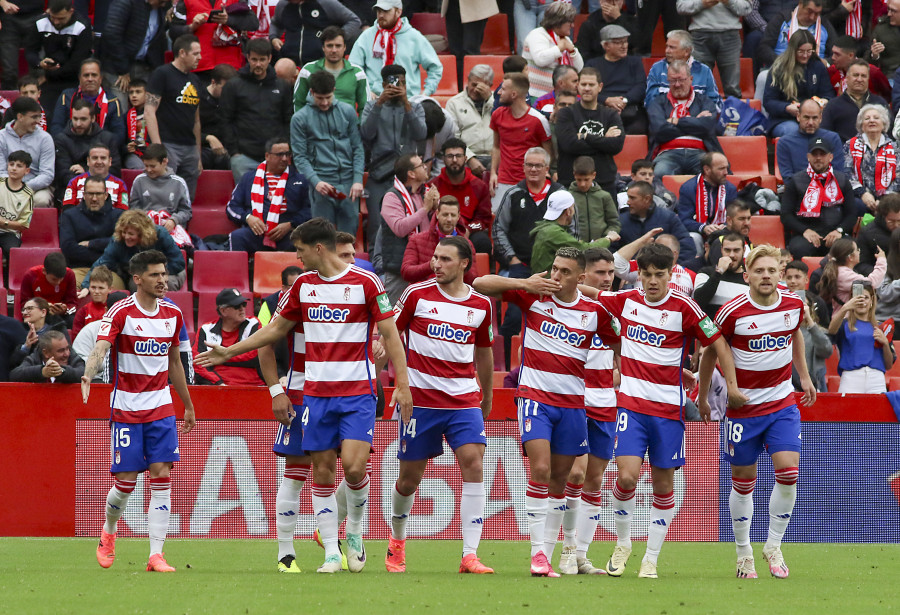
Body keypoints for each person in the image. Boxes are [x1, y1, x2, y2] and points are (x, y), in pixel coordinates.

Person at [196, 217, 413, 574]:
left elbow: (390, 334)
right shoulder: (302, 288)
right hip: (314, 395)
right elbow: (275, 330)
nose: (296, 257)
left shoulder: (366, 282)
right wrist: (229, 352)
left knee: (355, 467)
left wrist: (401, 384)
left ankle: (355, 530)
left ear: (317, 248)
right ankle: (330, 552)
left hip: (357, 391)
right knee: (323, 472)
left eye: (298, 250)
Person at [596, 241, 741, 579]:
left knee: (663, 486)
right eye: (646, 274)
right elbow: (593, 294)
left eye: (659, 275)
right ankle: (623, 541)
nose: (652, 281)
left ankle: (652, 557)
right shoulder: (625, 300)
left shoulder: (685, 307)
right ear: (639, 275)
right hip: (631, 407)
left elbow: (717, 342)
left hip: (668, 411)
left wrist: (730, 387)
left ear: (670, 273)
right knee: (627, 476)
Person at [473, 247, 620, 577]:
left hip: (573, 405)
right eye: (554, 269)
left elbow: (619, 340)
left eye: (565, 272)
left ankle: (560, 554)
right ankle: (537, 553)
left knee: (561, 479)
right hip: (535, 398)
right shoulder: (534, 297)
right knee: (540, 468)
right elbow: (481, 282)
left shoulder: (592, 312)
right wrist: (526, 283)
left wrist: (625, 367)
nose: (556, 276)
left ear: (579, 279)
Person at [697, 244, 814, 580]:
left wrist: (803, 377)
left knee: (789, 472)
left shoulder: (792, 305)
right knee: (744, 482)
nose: (766, 276)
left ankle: (774, 545)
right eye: (759, 271)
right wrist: (704, 397)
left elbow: (795, 337)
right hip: (743, 408)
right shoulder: (732, 311)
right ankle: (743, 552)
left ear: (780, 274)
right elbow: (709, 354)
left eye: (771, 270)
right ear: (747, 275)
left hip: (781, 403)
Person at [387, 236, 496, 574]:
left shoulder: (481, 305)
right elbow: (390, 333)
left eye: (445, 259)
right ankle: (397, 541)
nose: (436, 264)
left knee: (474, 464)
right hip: (421, 400)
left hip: (463, 399)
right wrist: (396, 380)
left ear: (465, 263)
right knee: (409, 479)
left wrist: (488, 395)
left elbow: (484, 352)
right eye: (435, 258)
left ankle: (470, 554)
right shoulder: (416, 295)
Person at [83, 250, 196, 573]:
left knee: (162, 475)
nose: (163, 280)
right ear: (138, 279)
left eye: (164, 274)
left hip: (161, 407)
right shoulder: (121, 311)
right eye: (155, 275)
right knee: (126, 482)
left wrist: (186, 404)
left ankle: (156, 554)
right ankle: (109, 530)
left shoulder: (173, 314)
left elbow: (175, 362)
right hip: (127, 408)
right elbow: (101, 346)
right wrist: (89, 374)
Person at [552, 246, 616, 575]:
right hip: (573, 400)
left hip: (606, 403)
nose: (607, 279)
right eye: (600, 274)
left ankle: (580, 555)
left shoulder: (611, 309)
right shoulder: (572, 306)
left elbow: (632, 347)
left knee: (594, 480)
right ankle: (566, 547)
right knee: (574, 475)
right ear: (583, 275)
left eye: (610, 273)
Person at [359, 64, 427, 251]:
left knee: (410, 224)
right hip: (379, 176)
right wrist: (380, 104)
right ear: (383, 84)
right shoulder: (373, 105)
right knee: (376, 227)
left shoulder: (415, 107)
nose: (399, 87)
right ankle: (378, 272)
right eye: (395, 83)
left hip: (407, 178)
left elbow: (421, 134)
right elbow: (366, 133)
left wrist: (406, 105)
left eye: (403, 83)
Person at [290, 70, 364, 236]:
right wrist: (316, 182)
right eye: (319, 98)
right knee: (323, 240)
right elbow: (300, 157)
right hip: (322, 184)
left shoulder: (348, 111)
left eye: (328, 97)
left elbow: (357, 147)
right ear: (311, 93)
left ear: (334, 91)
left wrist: (357, 180)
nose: (324, 102)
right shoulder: (300, 118)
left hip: (348, 184)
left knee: (348, 239)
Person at [219, 39, 293, 182]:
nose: (258, 64)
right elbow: (225, 119)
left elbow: (288, 119)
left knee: (276, 202)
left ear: (270, 58)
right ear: (247, 58)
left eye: (262, 59)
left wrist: (284, 150)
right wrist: (234, 152)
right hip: (243, 157)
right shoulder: (234, 85)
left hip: (276, 156)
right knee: (246, 201)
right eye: (254, 59)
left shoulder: (282, 86)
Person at [226, 136, 311, 254]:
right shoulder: (249, 178)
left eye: (287, 154)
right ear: (267, 156)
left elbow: (310, 210)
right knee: (237, 237)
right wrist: (248, 218)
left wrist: (291, 225)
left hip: (288, 235)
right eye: (280, 155)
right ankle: (238, 273)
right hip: (256, 233)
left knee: (303, 240)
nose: (285, 158)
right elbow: (232, 207)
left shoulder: (300, 180)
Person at [145, 34, 203, 200]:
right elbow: (149, 111)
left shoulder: (195, 80)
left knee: (186, 200)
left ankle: (183, 227)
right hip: (168, 144)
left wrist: (198, 154)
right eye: (195, 53)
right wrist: (158, 148)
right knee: (164, 197)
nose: (200, 57)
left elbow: (196, 120)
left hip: (190, 147)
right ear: (182, 53)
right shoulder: (162, 74)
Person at [348, 0, 442, 98]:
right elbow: (353, 68)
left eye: (386, 11)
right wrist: (365, 91)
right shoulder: (366, 36)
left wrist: (425, 93)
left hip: (408, 101)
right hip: (375, 101)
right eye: (379, 11)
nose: (381, 15)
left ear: (398, 12)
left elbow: (435, 68)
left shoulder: (414, 37)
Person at [379, 153, 439, 303]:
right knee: (392, 319)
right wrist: (425, 209)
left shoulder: (425, 193)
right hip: (400, 270)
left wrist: (437, 208)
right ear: (411, 173)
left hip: (426, 266)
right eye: (421, 165)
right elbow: (400, 228)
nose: (425, 167)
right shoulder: (391, 197)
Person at [781, 137, 856, 258]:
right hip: (805, 234)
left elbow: (851, 213)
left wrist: (839, 231)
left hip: (835, 233)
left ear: (830, 157)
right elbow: (786, 215)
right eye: (814, 154)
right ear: (808, 157)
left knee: (850, 249)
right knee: (798, 249)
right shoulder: (795, 181)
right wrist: (805, 230)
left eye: (822, 154)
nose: (818, 158)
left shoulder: (842, 180)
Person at [489, 72, 552, 211]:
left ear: (514, 94)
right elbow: (496, 146)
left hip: (531, 182)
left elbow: (548, 153)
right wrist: (493, 173)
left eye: (503, 89)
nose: (499, 92)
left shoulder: (538, 120)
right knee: (497, 223)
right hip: (503, 181)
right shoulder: (497, 115)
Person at [647, 60, 721, 178]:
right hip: (668, 153)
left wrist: (676, 121)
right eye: (673, 80)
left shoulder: (704, 101)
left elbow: (707, 127)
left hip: (700, 153)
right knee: (659, 173)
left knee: (710, 175)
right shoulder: (658, 102)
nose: (677, 84)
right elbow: (659, 131)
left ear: (691, 79)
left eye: (681, 80)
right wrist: (694, 121)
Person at [554, 67, 624, 192]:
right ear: (577, 86)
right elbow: (569, 144)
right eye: (583, 84)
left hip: (604, 184)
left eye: (591, 84)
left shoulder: (611, 115)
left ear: (600, 87)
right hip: (570, 184)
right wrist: (603, 140)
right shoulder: (566, 113)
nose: (587, 88)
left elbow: (616, 145)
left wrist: (585, 136)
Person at [82, 209, 187, 291]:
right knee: (136, 284)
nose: (126, 237)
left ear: (142, 234)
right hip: (139, 276)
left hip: (169, 272)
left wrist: (153, 274)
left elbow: (178, 262)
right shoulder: (118, 241)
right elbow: (101, 263)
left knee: (160, 284)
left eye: (131, 234)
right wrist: (87, 285)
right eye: (124, 232)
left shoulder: (160, 234)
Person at [24, 0, 93, 114]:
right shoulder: (40, 23)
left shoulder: (81, 26)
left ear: (71, 11)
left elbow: (77, 62)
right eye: (53, 17)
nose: (56, 22)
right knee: (46, 113)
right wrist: (39, 63)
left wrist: (49, 75)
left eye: (61, 18)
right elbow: (30, 51)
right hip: (47, 80)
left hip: (72, 80)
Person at [763, 30, 835, 138]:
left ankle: (817, 153)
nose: (805, 55)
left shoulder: (817, 66)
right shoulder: (779, 68)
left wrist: (824, 101)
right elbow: (769, 101)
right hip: (784, 119)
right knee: (793, 132)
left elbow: (828, 93)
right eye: (801, 51)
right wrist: (787, 108)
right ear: (793, 50)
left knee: (825, 132)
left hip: (813, 117)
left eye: (809, 51)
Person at [428, 138, 493, 256]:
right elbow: (427, 214)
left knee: (483, 241)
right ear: (443, 159)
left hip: (468, 232)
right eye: (450, 156)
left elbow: (484, 218)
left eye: (458, 156)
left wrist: (468, 229)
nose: (454, 160)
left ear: (465, 158)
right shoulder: (433, 186)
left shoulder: (479, 186)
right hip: (439, 231)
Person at [675, 0, 751, 99]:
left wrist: (728, 2)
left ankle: (733, 113)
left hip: (730, 36)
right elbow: (681, 7)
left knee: (732, 88)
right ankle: (698, 113)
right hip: (700, 36)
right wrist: (702, 3)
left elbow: (747, 9)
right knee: (698, 86)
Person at [60, 174, 127, 287]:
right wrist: (106, 253)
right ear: (84, 195)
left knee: (116, 291)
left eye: (98, 194)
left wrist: (92, 244)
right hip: (79, 269)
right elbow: (68, 248)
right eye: (90, 194)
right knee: (69, 286)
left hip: (108, 270)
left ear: (106, 195)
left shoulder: (119, 215)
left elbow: (120, 242)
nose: (94, 198)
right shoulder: (69, 215)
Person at [529, 190, 617, 274]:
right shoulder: (553, 232)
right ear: (568, 211)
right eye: (573, 207)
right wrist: (608, 239)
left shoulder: (546, 228)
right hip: (551, 284)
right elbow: (584, 251)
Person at [827, 280, 893, 392]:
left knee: (877, 409)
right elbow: (831, 331)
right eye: (857, 297)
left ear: (872, 300)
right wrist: (845, 308)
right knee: (848, 409)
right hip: (851, 377)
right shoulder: (844, 324)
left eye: (866, 297)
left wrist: (885, 343)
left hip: (876, 377)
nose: (861, 301)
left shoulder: (883, 327)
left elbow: (888, 365)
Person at [193, 288, 265, 386]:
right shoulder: (205, 330)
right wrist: (219, 383)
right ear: (223, 311)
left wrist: (223, 356)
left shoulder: (253, 324)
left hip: (254, 386)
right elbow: (199, 363)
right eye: (237, 306)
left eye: (244, 304)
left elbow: (255, 355)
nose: (242, 309)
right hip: (218, 388)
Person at [586, 25, 647, 135]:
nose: (624, 46)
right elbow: (587, 89)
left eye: (625, 42)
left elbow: (641, 86)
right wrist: (607, 100)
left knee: (640, 128)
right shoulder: (593, 64)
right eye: (618, 43)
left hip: (630, 107)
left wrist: (623, 101)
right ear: (606, 45)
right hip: (601, 108)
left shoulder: (635, 62)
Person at [400, 196, 477, 285]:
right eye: (445, 214)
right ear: (437, 214)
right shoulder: (416, 240)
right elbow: (406, 273)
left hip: (453, 295)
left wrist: (459, 266)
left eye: (453, 215)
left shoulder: (467, 244)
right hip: (424, 294)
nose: (449, 219)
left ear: (458, 216)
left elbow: (473, 280)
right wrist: (430, 266)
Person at [49, 58, 127, 145]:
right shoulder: (66, 96)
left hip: (102, 151)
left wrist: (98, 147)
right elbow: (56, 127)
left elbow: (119, 134)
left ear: (100, 78)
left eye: (94, 75)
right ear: (79, 78)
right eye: (86, 75)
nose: (90, 79)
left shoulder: (112, 101)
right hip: (71, 148)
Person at [617, 180, 696, 265]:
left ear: (647, 199)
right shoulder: (621, 221)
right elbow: (612, 252)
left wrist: (670, 268)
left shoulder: (668, 218)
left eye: (632, 198)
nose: (628, 202)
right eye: (628, 197)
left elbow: (687, 247)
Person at [293, 26, 367, 115]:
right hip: (315, 127)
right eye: (329, 46)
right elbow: (298, 103)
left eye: (338, 46)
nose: (334, 50)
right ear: (323, 48)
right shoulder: (308, 71)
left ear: (345, 48)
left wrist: (356, 127)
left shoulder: (357, 73)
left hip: (347, 126)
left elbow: (365, 107)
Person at [100, 0, 169, 96]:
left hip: (144, 67)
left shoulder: (159, 9)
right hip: (117, 68)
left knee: (145, 108)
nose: (164, 4)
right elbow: (112, 33)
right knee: (120, 107)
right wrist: (123, 69)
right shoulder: (126, 2)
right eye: (161, 2)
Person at [53, 99, 122, 194]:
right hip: (72, 190)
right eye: (75, 119)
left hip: (104, 189)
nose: (78, 124)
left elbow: (114, 170)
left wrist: (86, 172)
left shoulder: (107, 138)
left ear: (93, 118)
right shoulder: (61, 139)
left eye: (83, 119)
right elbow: (63, 174)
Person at [128, 144, 192, 245]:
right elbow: (133, 208)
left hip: (170, 229)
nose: (149, 170)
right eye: (146, 166)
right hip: (144, 227)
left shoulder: (179, 183)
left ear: (164, 162)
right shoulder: (139, 180)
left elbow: (186, 211)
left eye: (153, 166)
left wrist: (174, 220)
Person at [675, 152, 739, 254]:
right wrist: (703, 228)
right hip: (698, 232)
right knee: (693, 238)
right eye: (721, 168)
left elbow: (735, 217)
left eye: (727, 168)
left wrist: (725, 226)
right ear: (707, 170)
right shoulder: (688, 188)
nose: (726, 172)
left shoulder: (730, 189)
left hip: (724, 232)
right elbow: (683, 220)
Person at [843, 104, 900, 215]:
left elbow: (899, 175)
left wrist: (884, 198)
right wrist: (863, 193)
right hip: (859, 197)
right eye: (867, 118)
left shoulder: (895, 146)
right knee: (855, 205)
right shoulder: (850, 145)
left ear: (884, 124)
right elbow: (846, 172)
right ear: (861, 125)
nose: (871, 121)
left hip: (890, 197)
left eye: (876, 118)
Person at [268, 0, 360, 68]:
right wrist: (274, 37)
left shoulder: (326, 3)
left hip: (320, 61)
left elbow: (354, 21)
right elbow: (276, 22)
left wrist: (337, 37)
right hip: (290, 60)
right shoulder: (283, 4)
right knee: (281, 69)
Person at [644, 30, 721, 110]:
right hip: (665, 119)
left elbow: (714, 102)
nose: (667, 51)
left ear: (687, 51)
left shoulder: (704, 71)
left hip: (695, 119)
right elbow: (650, 101)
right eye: (667, 46)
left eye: (672, 47)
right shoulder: (657, 68)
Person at [0, 97, 55, 208]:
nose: (38, 121)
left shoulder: (45, 138)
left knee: (41, 200)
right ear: (20, 117)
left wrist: (23, 187)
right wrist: (12, 187)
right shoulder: (1, 137)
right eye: (34, 117)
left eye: (39, 116)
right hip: (6, 186)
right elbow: (1, 171)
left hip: (36, 188)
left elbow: (47, 174)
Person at [522, 1, 583, 99]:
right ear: (558, 22)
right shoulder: (537, 34)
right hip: (536, 95)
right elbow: (540, 60)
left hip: (559, 96)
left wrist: (573, 51)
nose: (572, 26)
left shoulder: (564, 39)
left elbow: (579, 68)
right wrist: (559, 48)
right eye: (570, 22)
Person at [775, 98, 844, 183]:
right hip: (798, 192)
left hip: (829, 191)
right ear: (798, 116)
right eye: (806, 117)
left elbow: (839, 173)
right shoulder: (784, 143)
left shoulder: (833, 138)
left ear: (820, 118)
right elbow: (788, 178)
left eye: (814, 118)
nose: (810, 122)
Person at [444, 65, 495, 178]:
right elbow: (453, 138)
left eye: (481, 86)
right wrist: (470, 159)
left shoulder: (497, 103)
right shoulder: (454, 103)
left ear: (490, 86)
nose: (476, 89)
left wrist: (490, 100)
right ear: (468, 80)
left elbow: (505, 128)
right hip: (466, 158)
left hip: (495, 157)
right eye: (473, 84)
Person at [184, 0, 259, 75]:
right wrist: (192, 27)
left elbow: (253, 23)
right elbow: (174, 30)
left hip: (230, 67)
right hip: (199, 67)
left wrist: (228, 20)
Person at [822, 60, 889, 143]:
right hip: (843, 153)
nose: (859, 79)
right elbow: (825, 135)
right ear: (847, 78)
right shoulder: (833, 105)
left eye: (863, 76)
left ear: (868, 79)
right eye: (856, 75)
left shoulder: (880, 103)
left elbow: (889, 133)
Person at [757, 0, 836, 69]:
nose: (812, 17)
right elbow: (764, 47)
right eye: (809, 11)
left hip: (814, 72)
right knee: (762, 78)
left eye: (817, 13)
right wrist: (780, 61)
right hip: (782, 68)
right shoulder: (782, 19)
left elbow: (836, 53)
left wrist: (826, 62)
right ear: (800, 3)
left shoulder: (825, 24)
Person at [817, 237, 886, 311]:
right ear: (850, 257)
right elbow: (870, 284)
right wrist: (881, 260)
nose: (859, 252)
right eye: (857, 250)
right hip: (846, 320)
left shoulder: (841, 271)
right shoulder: (844, 275)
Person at [693, 232, 750, 318]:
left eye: (736, 250)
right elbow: (698, 302)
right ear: (721, 250)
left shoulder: (750, 277)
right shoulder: (706, 272)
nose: (731, 255)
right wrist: (719, 272)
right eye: (727, 250)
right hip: (710, 328)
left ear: (744, 250)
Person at [569, 156, 620, 244]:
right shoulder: (568, 197)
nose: (582, 184)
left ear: (594, 175)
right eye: (579, 180)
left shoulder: (604, 196)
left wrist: (605, 238)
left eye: (586, 179)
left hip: (601, 245)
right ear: (574, 175)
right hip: (575, 245)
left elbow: (614, 222)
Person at [62, 142, 129, 209]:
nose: (99, 162)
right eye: (95, 158)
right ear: (88, 161)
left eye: (103, 158)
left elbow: (123, 214)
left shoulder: (120, 185)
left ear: (110, 161)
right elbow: (67, 211)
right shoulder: (74, 182)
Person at [10, 296, 69, 368]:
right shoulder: (19, 332)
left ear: (43, 312)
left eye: (29, 309)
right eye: (23, 309)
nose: (24, 313)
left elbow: (68, 355)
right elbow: (13, 365)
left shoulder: (58, 329)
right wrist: (26, 346)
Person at [198, 63, 237, 171]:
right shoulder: (199, 98)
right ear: (213, 82)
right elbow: (189, 128)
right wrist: (208, 138)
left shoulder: (234, 100)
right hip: (203, 146)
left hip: (226, 148)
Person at [21, 251, 78, 322]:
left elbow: (73, 303)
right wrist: (42, 307)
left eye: (61, 279)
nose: (58, 283)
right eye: (54, 279)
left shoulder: (70, 274)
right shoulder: (30, 275)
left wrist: (65, 309)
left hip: (60, 315)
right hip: (38, 313)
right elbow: (24, 304)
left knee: (72, 320)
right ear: (44, 271)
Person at [793, 290, 832, 392]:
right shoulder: (786, 332)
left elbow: (827, 351)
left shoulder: (817, 330)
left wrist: (809, 321)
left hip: (817, 385)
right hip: (792, 387)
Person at [11, 329, 85, 382]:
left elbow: (83, 373)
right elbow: (15, 375)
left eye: (67, 348)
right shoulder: (35, 357)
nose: (67, 354)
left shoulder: (72, 355)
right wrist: (42, 372)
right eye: (61, 351)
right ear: (46, 353)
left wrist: (62, 371)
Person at [0, 150, 34, 260]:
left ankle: (9, 277)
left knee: (12, 251)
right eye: (11, 164)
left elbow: (23, 225)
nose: (14, 168)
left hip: (10, 233)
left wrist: (4, 222)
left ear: (27, 171)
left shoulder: (28, 194)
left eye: (19, 166)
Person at [858, 194, 900, 276]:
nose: (896, 225)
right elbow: (861, 265)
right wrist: (884, 275)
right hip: (882, 278)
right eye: (891, 221)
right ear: (883, 216)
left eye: (899, 221)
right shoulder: (867, 232)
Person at [706, 200, 754, 266]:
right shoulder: (720, 241)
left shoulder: (747, 241)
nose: (746, 223)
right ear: (729, 220)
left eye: (748, 218)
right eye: (741, 219)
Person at [72, 265, 113, 338]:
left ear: (110, 289)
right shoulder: (83, 312)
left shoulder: (115, 310)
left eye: (101, 288)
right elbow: (76, 340)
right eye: (93, 287)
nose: (96, 291)